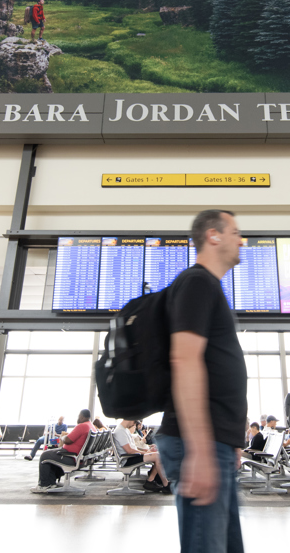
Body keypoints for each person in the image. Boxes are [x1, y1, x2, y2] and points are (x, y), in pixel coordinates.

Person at [155, 209, 249, 553]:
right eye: (236, 232)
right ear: (213, 236)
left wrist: (229, 440)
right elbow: (185, 360)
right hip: (199, 443)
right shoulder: (197, 282)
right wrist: (199, 450)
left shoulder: (208, 286)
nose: (242, 240)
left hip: (215, 442)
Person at [35, 409, 94, 492]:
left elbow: (67, 440)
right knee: (50, 455)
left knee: (45, 455)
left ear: (82, 417)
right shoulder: (91, 426)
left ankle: (43, 485)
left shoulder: (82, 426)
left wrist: (62, 437)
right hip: (77, 456)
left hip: (71, 457)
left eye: (78, 416)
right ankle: (50, 483)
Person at [114, 419, 169, 492]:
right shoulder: (120, 431)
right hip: (127, 459)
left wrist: (147, 450)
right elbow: (129, 450)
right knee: (158, 456)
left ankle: (151, 481)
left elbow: (133, 448)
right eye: (134, 422)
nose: (134, 425)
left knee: (158, 455)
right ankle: (165, 485)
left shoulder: (124, 430)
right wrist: (146, 453)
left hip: (132, 456)